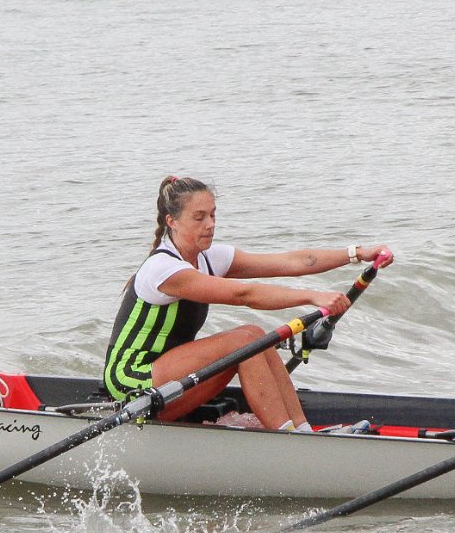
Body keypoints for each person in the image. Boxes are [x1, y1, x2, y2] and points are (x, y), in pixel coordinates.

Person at [104, 176, 394, 430]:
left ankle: (301, 430)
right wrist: (312, 296)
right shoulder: (163, 269)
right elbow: (244, 295)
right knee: (243, 344)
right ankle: (286, 436)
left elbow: (292, 261)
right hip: (132, 381)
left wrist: (357, 253)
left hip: (168, 379)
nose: (211, 224)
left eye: (213, 215)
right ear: (172, 221)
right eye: (200, 217)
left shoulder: (209, 257)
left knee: (255, 336)